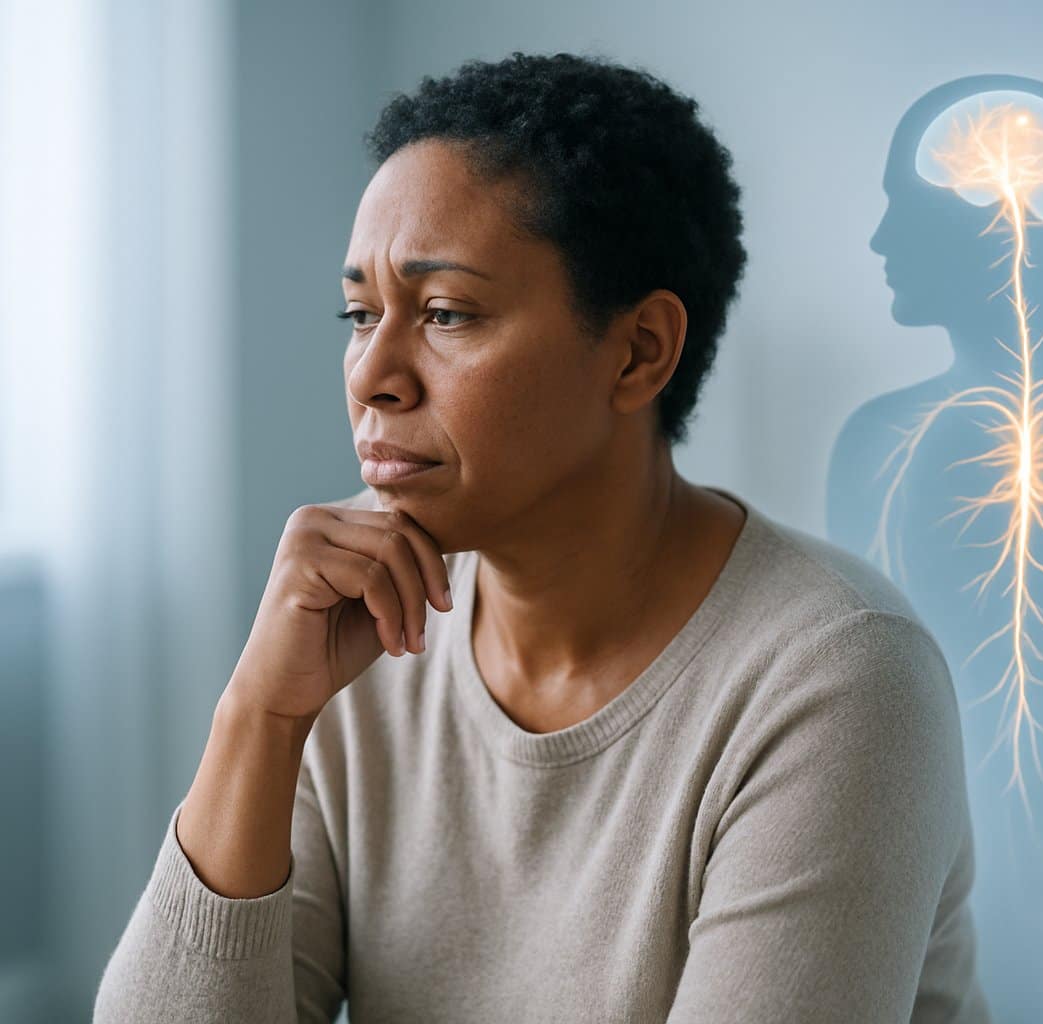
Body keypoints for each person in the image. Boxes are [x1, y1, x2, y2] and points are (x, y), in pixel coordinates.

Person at [93, 51, 990, 1023]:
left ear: (639, 350)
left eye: (445, 313)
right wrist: (258, 720)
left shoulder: (838, 676)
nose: (373, 374)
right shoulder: (358, 638)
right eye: (360, 313)